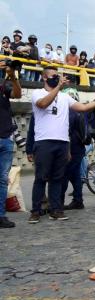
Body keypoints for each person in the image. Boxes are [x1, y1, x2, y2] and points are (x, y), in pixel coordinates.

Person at [28, 67, 95, 224]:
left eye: (58, 76)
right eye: (54, 76)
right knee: (41, 178)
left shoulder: (64, 97)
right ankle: (35, 211)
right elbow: (42, 104)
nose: (57, 79)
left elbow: (83, 107)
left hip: (62, 143)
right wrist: (58, 87)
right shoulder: (37, 93)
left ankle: (56, 210)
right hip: (44, 142)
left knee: (57, 179)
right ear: (44, 78)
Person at [0, 60, 22, 228]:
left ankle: (1, 216)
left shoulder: (5, 84)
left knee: (2, 179)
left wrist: (13, 77)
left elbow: (17, 94)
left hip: (6, 138)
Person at [58, 88, 87, 210]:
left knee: (64, 176)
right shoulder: (80, 112)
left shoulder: (69, 113)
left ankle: (58, 202)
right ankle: (78, 200)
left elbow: (67, 133)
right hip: (79, 148)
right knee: (74, 175)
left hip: (72, 149)